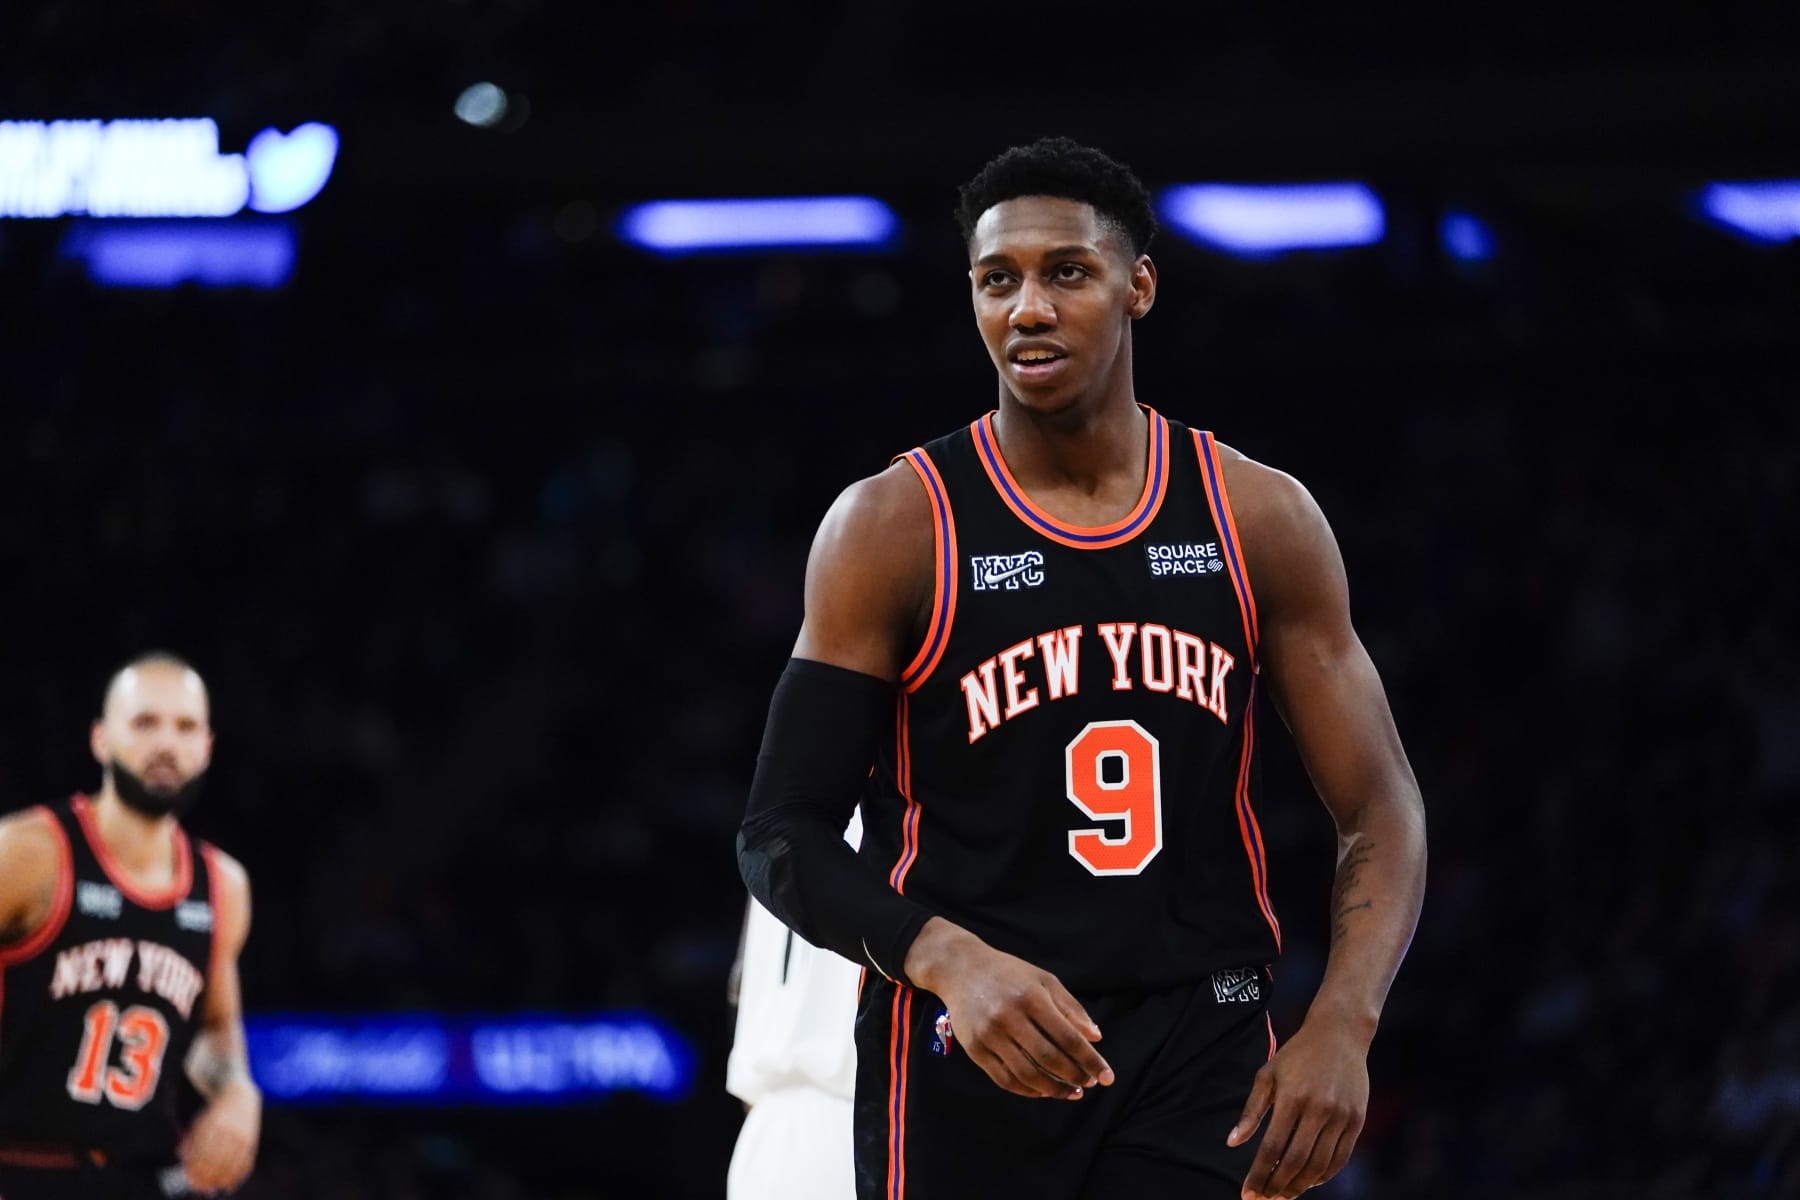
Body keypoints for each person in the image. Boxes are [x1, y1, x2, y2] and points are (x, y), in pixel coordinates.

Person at [737, 136, 1427, 1200]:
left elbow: (1379, 809)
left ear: (1138, 285)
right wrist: (944, 957)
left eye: (1067, 272)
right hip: (976, 1042)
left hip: (1203, 1035)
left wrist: (1343, 1021)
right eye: (996, 279)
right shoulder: (894, 525)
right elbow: (779, 833)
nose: (1028, 309)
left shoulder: (1257, 516)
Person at [0, 652, 259, 1199]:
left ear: (207, 747)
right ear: (100, 739)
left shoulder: (222, 885)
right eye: (145, 722)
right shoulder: (28, 854)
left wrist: (237, 1091)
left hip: (138, 1177)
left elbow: (213, 1030)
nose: (167, 743)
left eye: (186, 727)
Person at [725, 810, 863, 1200]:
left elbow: (741, 992)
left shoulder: (769, 815)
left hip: (763, 1138)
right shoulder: (911, 798)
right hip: (859, 1126)